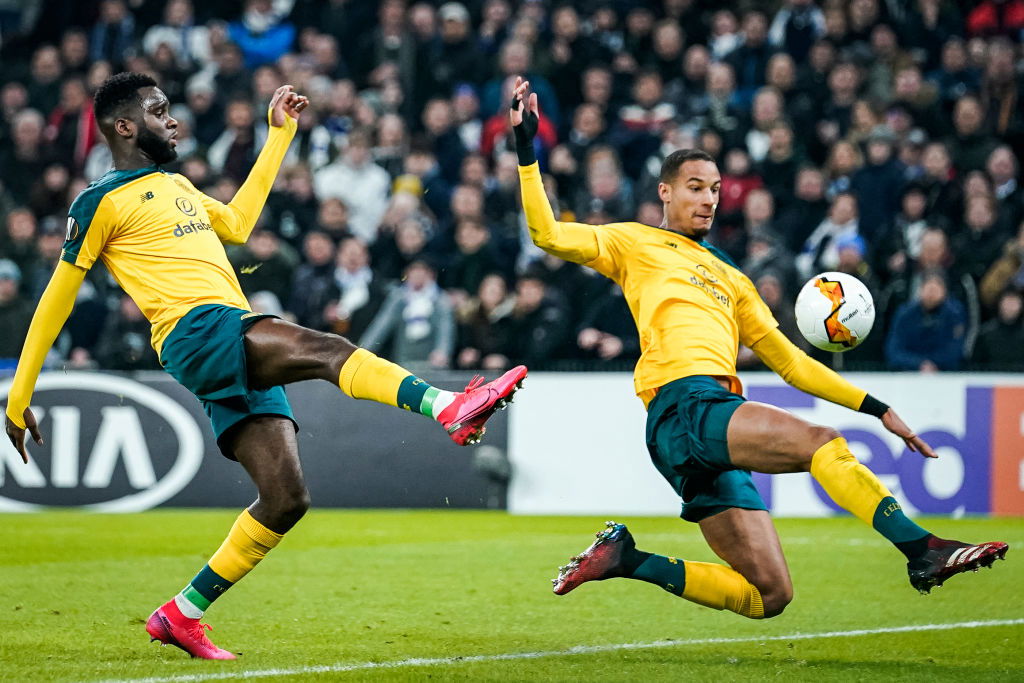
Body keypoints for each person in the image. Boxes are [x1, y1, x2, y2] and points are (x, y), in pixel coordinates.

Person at [3, 73, 527, 660]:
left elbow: (238, 224)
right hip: (196, 331)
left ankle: (182, 613)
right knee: (328, 350)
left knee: (285, 499)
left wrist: (278, 137)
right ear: (124, 127)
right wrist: (20, 393)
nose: (172, 120)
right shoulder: (99, 201)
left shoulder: (175, 184)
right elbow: (57, 297)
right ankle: (449, 407)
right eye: (158, 111)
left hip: (225, 333)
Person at [509, 76, 1007, 621]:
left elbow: (792, 363)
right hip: (687, 405)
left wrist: (879, 408)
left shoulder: (734, 279)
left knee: (768, 596)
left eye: (716, 189)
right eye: (695, 186)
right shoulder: (633, 242)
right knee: (822, 441)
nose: (708, 199)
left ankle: (627, 558)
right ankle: (922, 551)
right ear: (666, 192)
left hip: (700, 430)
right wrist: (526, 150)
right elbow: (548, 234)